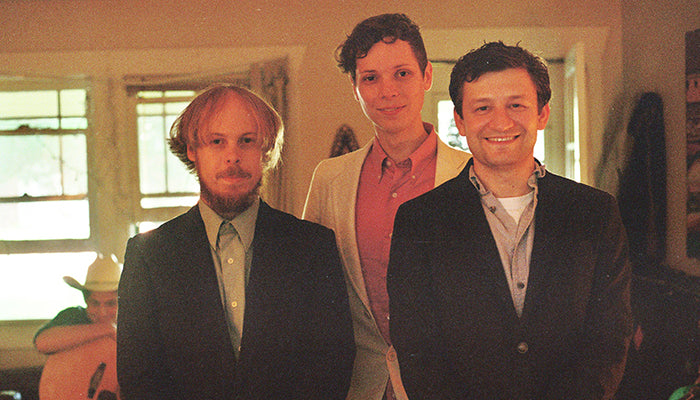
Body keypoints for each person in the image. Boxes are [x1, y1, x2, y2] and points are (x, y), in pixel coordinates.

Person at [387, 41, 633, 399]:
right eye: (482, 107)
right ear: (460, 121)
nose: (501, 122)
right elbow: (417, 352)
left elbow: (609, 340)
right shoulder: (419, 221)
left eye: (516, 105)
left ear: (542, 114)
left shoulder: (595, 213)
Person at [117, 84, 355, 399]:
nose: (233, 156)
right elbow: (138, 377)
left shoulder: (313, 247)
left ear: (266, 150)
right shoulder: (149, 255)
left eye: (247, 141)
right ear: (192, 150)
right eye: (217, 141)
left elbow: (332, 364)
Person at [303, 13, 470, 400]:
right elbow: (311, 293)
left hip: (451, 385)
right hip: (357, 385)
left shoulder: (470, 173)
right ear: (355, 88)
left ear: (427, 76)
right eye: (370, 78)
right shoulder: (329, 178)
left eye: (402, 74)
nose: (387, 91)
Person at [35, 253, 121, 400]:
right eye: (95, 303)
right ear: (86, 301)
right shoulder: (74, 316)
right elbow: (42, 343)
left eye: (111, 303)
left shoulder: (133, 323)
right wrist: (108, 329)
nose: (102, 312)